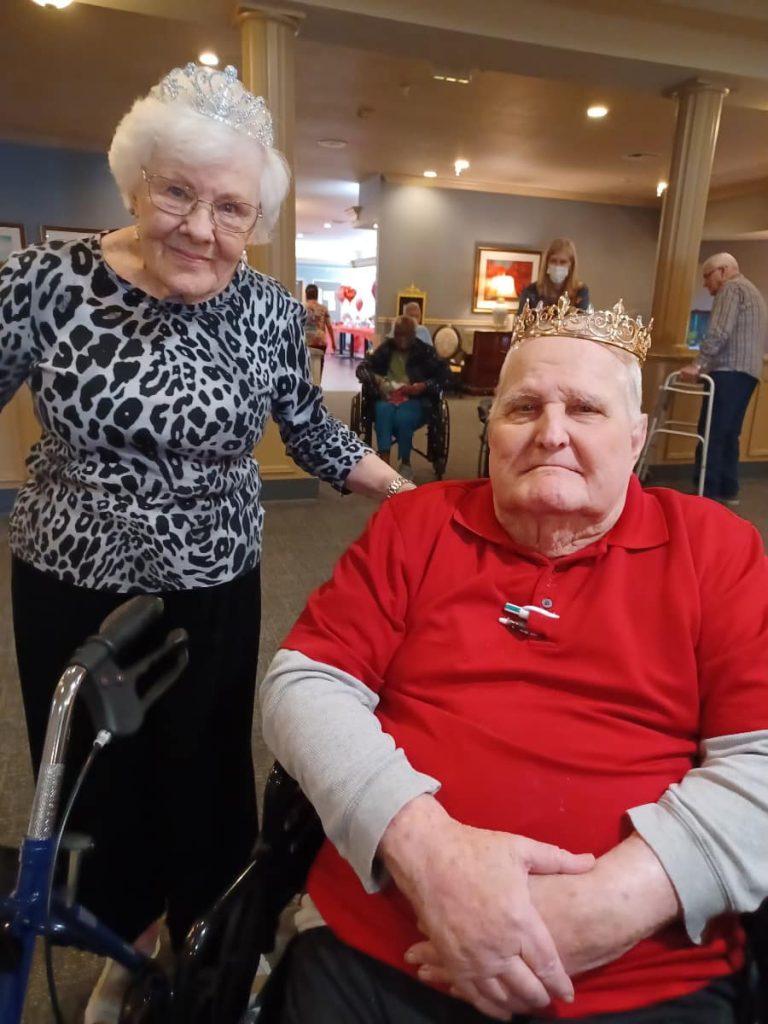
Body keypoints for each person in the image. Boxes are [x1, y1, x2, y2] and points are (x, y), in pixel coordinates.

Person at [0, 62, 413, 1023]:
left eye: (231, 208)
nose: (200, 227)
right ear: (134, 185)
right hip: (68, 576)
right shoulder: (43, 284)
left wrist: (407, 495)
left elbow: (310, 432)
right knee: (94, 779)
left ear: (255, 219)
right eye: (177, 193)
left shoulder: (267, 309)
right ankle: (125, 944)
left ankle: (209, 937)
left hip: (211, 580)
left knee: (204, 767)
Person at [260, 295, 768, 1023]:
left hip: (643, 972)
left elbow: (760, 761)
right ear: (491, 428)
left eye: (585, 410)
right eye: (524, 408)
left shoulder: (717, 549)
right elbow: (305, 683)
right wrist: (434, 860)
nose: (550, 434)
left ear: (636, 438)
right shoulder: (417, 524)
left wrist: (605, 908)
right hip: (389, 944)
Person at [680, 253, 767, 505]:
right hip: (748, 373)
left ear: (723, 271)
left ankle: (706, 492)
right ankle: (727, 489)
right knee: (729, 433)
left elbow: (719, 331)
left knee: (712, 431)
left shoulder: (731, 289)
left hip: (728, 371)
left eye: (707, 276)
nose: (705, 284)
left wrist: (698, 364)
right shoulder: (752, 291)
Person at [366, 315, 445, 480]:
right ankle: (384, 461)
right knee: (382, 411)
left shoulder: (424, 351)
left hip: (416, 399)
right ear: (394, 334)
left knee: (403, 418)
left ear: (413, 335)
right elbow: (365, 368)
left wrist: (423, 386)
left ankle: (406, 462)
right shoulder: (386, 348)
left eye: (406, 336)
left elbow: (444, 376)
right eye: (399, 335)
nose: (402, 340)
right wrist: (378, 381)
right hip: (388, 396)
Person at [517, 237, 590, 313]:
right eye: (553, 261)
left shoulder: (580, 292)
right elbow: (520, 318)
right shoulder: (531, 292)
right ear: (547, 263)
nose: (557, 266)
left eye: (563, 262)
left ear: (571, 265)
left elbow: (583, 318)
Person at [303, 283, 336, 386]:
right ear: (317, 295)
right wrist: (334, 343)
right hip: (320, 343)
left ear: (306, 294)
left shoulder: (302, 307)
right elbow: (329, 327)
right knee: (319, 364)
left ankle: (306, 384)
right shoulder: (323, 308)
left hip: (305, 342)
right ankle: (317, 384)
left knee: (305, 365)